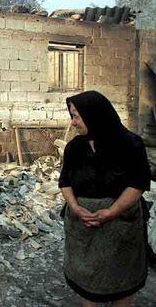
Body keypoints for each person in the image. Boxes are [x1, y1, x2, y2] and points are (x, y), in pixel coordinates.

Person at [58, 91, 151, 306]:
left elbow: (137, 185)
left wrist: (111, 212)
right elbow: (65, 182)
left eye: (76, 117)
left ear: (95, 116)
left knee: (121, 287)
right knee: (87, 287)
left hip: (121, 227)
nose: (72, 123)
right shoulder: (74, 148)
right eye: (71, 116)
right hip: (83, 227)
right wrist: (74, 207)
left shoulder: (131, 144)